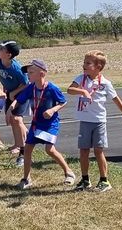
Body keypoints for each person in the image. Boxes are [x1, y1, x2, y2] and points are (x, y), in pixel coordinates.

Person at [66, 50, 122, 192]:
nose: (84, 65)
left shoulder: (105, 83)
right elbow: (70, 90)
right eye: (84, 62)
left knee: (98, 150)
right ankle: (85, 179)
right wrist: (83, 91)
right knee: (84, 151)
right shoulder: (81, 79)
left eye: (88, 63)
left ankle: (104, 180)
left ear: (99, 67)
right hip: (85, 120)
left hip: (99, 121)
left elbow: (116, 99)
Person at [9, 59, 75, 190]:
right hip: (36, 124)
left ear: (42, 74)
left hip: (50, 124)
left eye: (31, 72)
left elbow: (63, 102)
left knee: (49, 150)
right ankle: (26, 179)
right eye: (28, 73)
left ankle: (69, 172)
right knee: (27, 149)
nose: (28, 75)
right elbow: (19, 100)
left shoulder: (52, 88)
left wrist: (52, 110)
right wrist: (10, 108)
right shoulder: (30, 88)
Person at [0, 40, 29, 167]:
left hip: (21, 93)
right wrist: (0, 91)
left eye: (2, 48)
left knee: (16, 119)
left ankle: (22, 148)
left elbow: (26, 84)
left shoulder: (17, 69)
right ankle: (18, 143)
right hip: (8, 93)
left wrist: (14, 92)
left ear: (8, 54)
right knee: (11, 120)